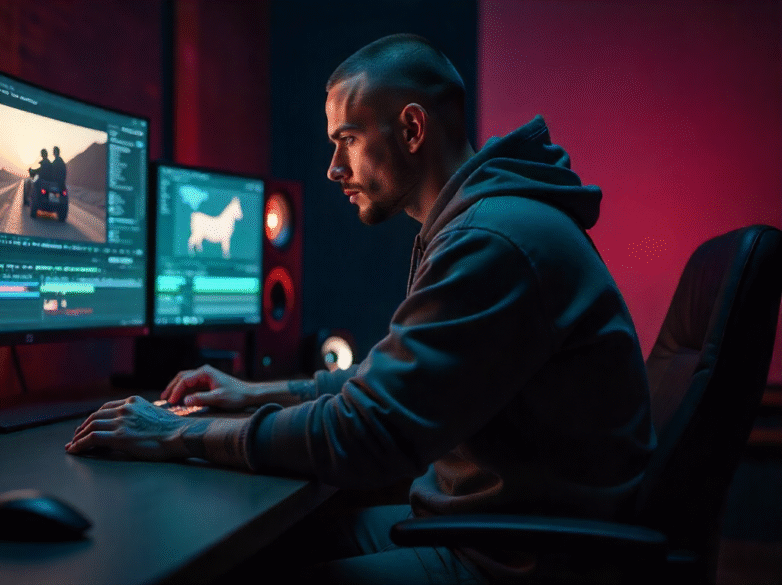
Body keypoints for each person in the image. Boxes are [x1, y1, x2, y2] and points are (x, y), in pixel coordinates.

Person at [67, 33, 654, 584]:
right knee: (270, 542)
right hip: (489, 522)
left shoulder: (493, 240)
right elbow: (392, 389)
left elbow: (368, 434)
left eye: (346, 140)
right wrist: (252, 394)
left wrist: (174, 436)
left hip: (522, 559)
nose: (332, 168)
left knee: (236, 566)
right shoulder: (484, 222)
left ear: (412, 129)